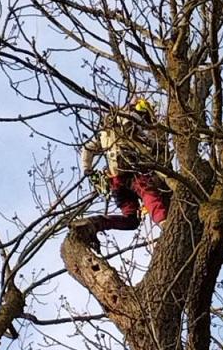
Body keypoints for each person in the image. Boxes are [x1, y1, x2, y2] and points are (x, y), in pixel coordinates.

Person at [73, 96, 170, 244]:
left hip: (116, 179)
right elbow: (134, 131)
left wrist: (87, 169)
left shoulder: (104, 134)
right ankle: (164, 222)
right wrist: (154, 145)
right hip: (131, 170)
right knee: (149, 193)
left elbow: (87, 148)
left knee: (131, 220)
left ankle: (99, 222)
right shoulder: (128, 117)